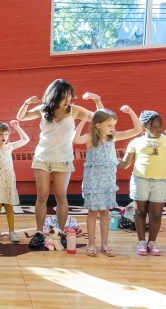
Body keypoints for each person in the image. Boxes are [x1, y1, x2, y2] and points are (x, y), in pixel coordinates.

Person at [17, 79, 103, 248]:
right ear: (54, 97)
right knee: (42, 196)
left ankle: (61, 232)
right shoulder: (43, 109)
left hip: (63, 158)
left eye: (69, 96)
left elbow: (101, 118)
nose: (67, 101)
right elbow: (20, 117)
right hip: (42, 157)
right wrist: (27, 102)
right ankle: (39, 232)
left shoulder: (74, 110)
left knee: (60, 196)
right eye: (64, 97)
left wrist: (97, 100)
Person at [73, 106, 143, 257]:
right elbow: (76, 139)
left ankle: (105, 244)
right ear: (98, 125)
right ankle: (91, 243)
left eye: (114, 125)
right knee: (93, 212)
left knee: (105, 212)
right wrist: (84, 120)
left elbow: (137, 129)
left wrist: (131, 111)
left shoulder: (113, 137)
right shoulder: (91, 138)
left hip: (108, 181)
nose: (113, 128)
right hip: (93, 180)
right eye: (109, 125)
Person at [120, 110, 166, 256]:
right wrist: (108, 157)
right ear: (144, 127)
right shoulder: (136, 142)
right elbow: (125, 164)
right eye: (154, 126)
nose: (159, 129)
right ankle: (141, 242)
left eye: (160, 125)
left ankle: (152, 241)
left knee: (156, 215)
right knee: (140, 212)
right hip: (140, 181)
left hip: (161, 182)